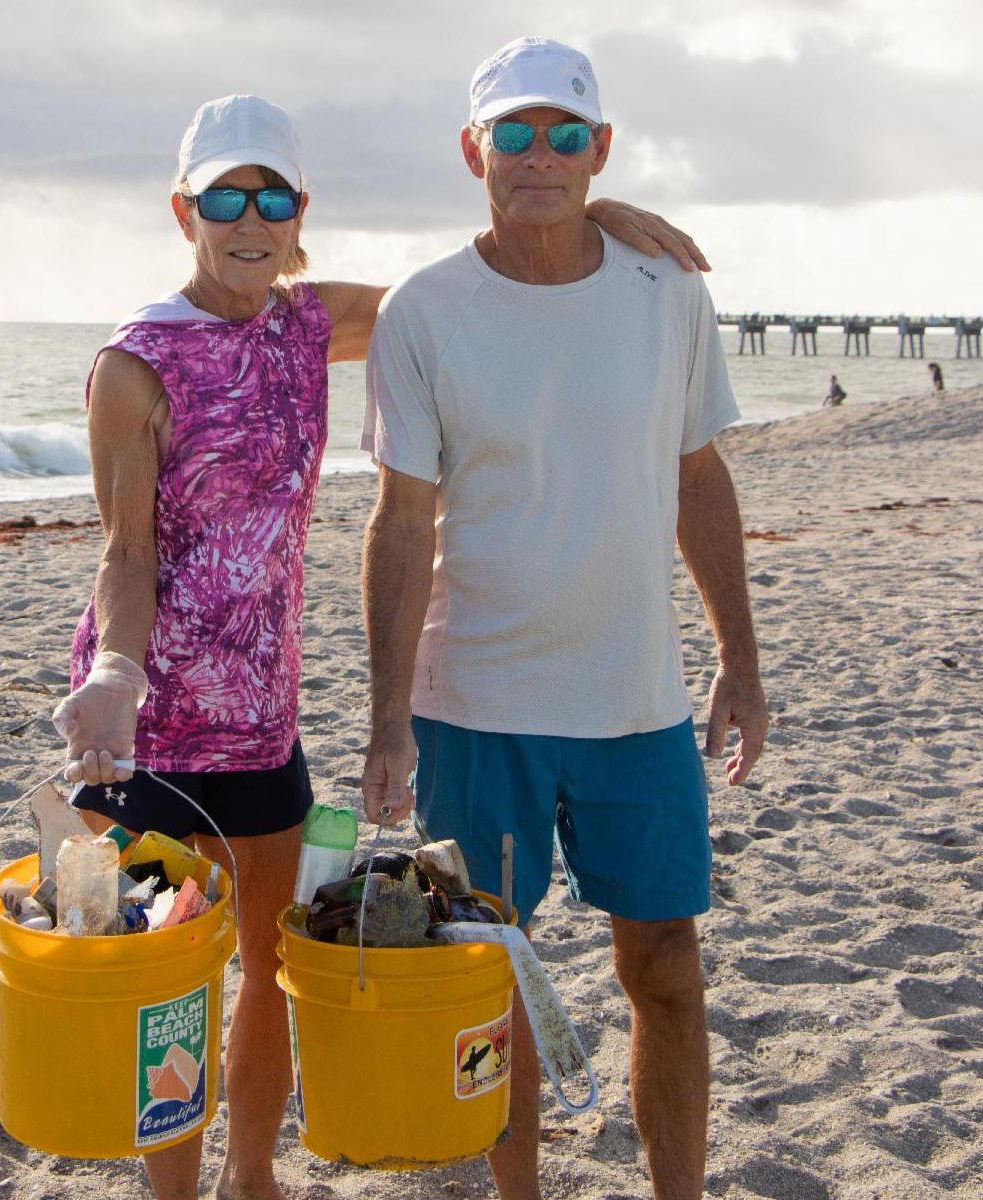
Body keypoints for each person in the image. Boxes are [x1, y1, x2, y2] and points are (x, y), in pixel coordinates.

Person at [51, 92, 716, 1200]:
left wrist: (599, 214)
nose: (248, 218)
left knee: (270, 971)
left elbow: (463, 284)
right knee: (168, 984)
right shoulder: (137, 364)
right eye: (225, 197)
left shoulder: (309, 323)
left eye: (270, 195)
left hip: (263, 723)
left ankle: (251, 1176)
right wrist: (115, 676)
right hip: (148, 724)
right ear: (185, 212)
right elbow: (127, 555)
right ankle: (173, 1192)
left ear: (298, 209)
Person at [359, 38, 768, 1200]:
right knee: (494, 975)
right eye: (514, 134)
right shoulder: (424, 309)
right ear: (471, 149)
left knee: (669, 969)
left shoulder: (668, 290)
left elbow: (697, 480)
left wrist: (739, 658)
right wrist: (389, 720)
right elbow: (397, 523)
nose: (538, 156)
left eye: (564, 134)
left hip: (636, 702)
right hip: (476, 705)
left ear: (600, 149)